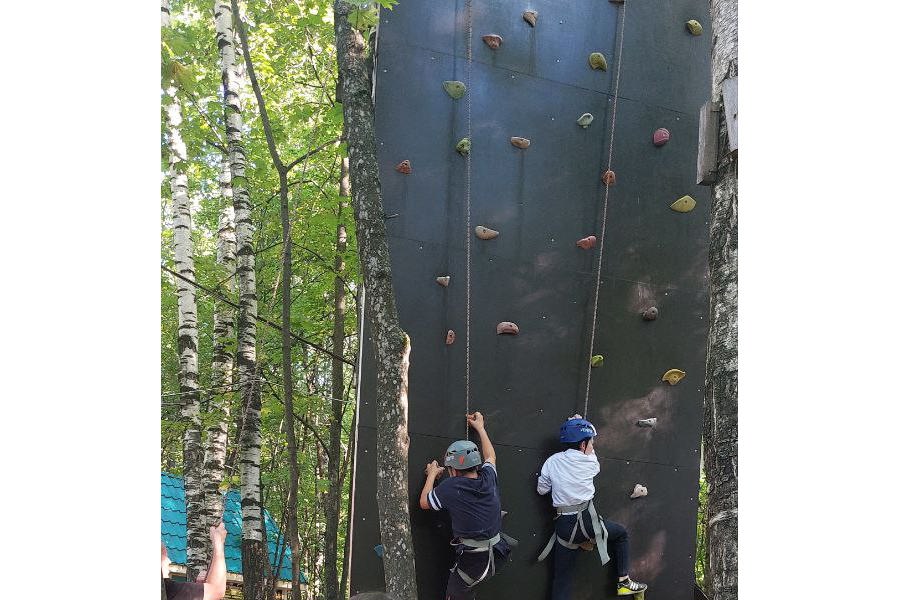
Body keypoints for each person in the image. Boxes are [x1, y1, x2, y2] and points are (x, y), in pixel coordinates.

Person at [537, 415, 648, 598]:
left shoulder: (552, 461)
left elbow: (542, 490)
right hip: (587, 524)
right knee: (621, 534)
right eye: (591, 442)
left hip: (564, 526)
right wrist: (580, 421)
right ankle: (624, 581)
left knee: (562, 579)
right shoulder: (591, 463)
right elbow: (591, 457)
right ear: (582, 445)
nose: (593, 446)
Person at [419, 412, 512, 600]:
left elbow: (424, 502)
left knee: (455, 595)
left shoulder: (451, 486)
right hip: (498, 553)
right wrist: (480, 428)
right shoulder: (488, 477)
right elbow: (490, 456)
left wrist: (431, 474)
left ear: (452, 470)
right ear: (476, 464)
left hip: (474, 560)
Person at [161, 522, 228, 600]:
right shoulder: (168, 589)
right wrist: (218, 542)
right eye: (163, 556)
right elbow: (216, 590)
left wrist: (200, 589)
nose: (169, 561)